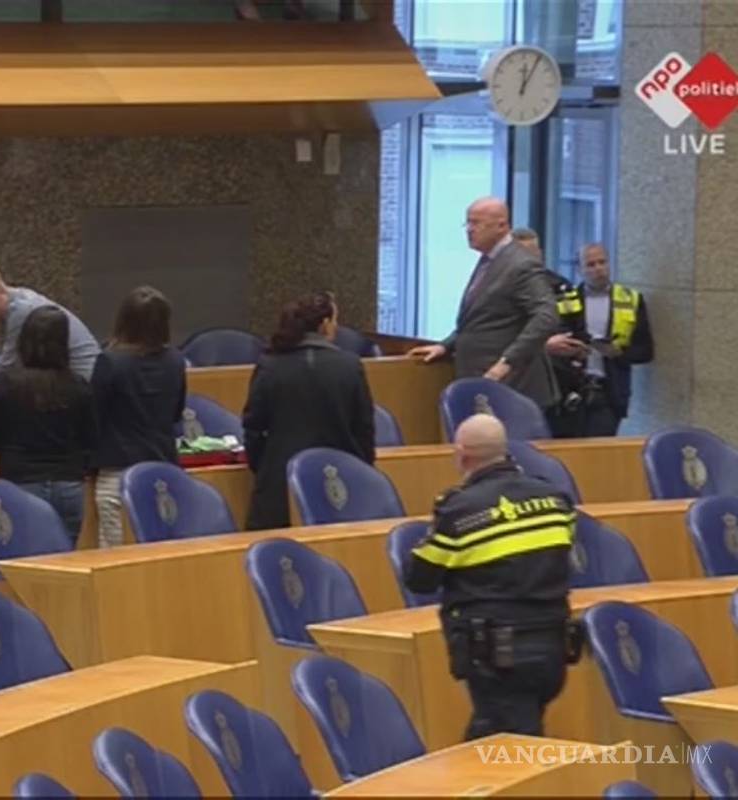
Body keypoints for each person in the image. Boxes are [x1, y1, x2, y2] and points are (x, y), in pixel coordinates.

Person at [406, 414, 578, 739]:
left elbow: (420, 579)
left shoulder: (459, 512)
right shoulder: (556, 500)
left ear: (463, 455)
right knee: (505, 735)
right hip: (553, 647)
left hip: (497, 656)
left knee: (504, 750)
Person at [408, 198, 559, 410]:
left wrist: (507, 362)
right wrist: (445, 345)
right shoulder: (489, 260)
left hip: (511, 384)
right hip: (483, 379)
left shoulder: (521, 264)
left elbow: (546, 315)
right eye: (467, 223)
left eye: (476, 223)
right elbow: (481, 318)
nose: (469, 230)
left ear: (501, 226)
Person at [242, 292, 376, 530]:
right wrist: (362, 471)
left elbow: (253, 425)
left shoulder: (270, 365)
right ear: (325, 324)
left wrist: (262, 466)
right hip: (339, 482)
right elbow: (364, 428)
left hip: (277, 486)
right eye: (335, 320)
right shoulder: (349, 365)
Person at [0, 305, 97, 544]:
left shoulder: (5, 384)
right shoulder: (79, 386)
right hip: (68, 485)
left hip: (20, 482)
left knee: (27, 560)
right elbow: (91, 440)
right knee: (64, 562)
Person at [92, 286, 186, 548]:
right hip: (163, 469)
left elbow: (92, 417)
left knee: (115, 557)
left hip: (117, 471)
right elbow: (176, 413)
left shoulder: (110, 362)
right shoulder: (175, 361)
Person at [544, 243, 654, 437]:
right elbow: (551, 342)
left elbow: (646, 351)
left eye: (602, 262)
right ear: (580, 269)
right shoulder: (565, 300)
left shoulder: (630, 300)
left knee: (599, 450)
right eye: (591, 264)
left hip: (609, 391)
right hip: (571, 388)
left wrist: (618, 352)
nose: (598, 269)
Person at [511, 227, 593, 438]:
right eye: (523, 254)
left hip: (560, 382)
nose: (530, 259)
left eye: (534, 252)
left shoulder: (561, 287)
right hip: (518, 380)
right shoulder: (501, 288)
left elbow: (578, 329)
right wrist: (544, 346)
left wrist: (576, 347)